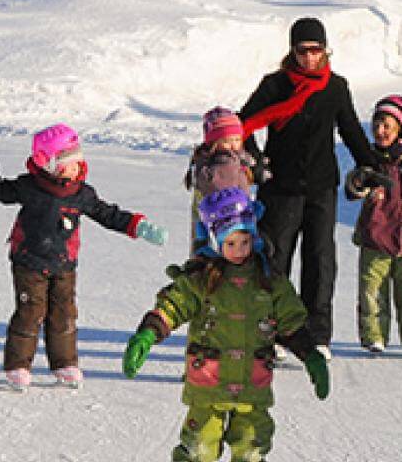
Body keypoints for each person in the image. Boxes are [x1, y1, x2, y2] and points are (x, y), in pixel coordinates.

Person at [123, 187, 330, 462]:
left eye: (244, 241)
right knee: (198, 450)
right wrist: (147, 334)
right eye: (230, 243)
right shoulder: (201, 279)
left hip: (252, 388)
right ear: (215, 242)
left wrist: (311, 355)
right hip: (208, 383)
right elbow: (172, 306)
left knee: (252, 448)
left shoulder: (270, 281)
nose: (239, 250)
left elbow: (291, 323)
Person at [0, 123, 168, 389]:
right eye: (67, 162)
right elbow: (2, 192)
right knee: (31, 311)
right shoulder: (30, 187)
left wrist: (137, 226)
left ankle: (64, 363)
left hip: (64, 263)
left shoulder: (82, 194)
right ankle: (18, 366)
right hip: (29, 261)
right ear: (46, 163)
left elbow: (108, 214)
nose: (75, 167)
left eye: (77, 161)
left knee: (64, 313)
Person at [238, 16, 379, 358]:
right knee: (276, 258)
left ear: (325, 51)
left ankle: (317, 335)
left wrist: (371, 165)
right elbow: (243, 123)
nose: (310, 58)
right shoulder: (276, 85)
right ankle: (271, 331)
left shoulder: (335, 87)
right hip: (281, 186)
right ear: (292, 51)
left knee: (320, 260)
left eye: (317, 51)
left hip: (320, 187)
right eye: (303, 51)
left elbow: (350, 130)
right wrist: (257, 161)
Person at [346, 95, 402, 356]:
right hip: (374, 239)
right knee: (372, 293)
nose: (380, 131)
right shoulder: (369, 161)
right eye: (377, 125)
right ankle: (374, 336)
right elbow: (351, 189)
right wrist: (360, 183)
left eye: (387, 126)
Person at [185, 107, 256, 254]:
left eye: (237, 140)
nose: (233, 145)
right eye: (226, 141)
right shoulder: (219, 164)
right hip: (221, 219)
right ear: (214, 142)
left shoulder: (238, 159)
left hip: (235, 218)